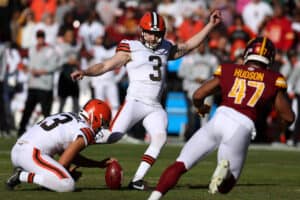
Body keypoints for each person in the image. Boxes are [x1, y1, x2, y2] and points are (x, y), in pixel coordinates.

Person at [71, 10, 222, 190]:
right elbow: (106, 65)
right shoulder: (131, 47)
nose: (153, 37)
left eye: (157, 34)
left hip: (155, 106)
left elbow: (189, 45)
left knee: (160, 137)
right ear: (142, 31)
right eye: (150, 32)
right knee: (112, 136)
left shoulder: (165, 47)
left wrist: (210, 25)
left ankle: (137, 180)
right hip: (135, 101)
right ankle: (69, 144)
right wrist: (86, 72)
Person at [147, 37, 295, 200]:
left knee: (180, 164)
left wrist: (201, 107)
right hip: (241, 125)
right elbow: (288, 116)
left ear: (247, 53)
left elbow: (198, 94)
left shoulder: (229, 69)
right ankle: (223, 174)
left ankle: (154, 197)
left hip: (219, 118)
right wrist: (279, 128)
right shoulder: (273, 79)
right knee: (226, 187)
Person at [6, 98, 119, 192]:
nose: (101, 128)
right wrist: (66, 173)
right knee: (67, 184)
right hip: (32, 154)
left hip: (18, 149)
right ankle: (22, 175)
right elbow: (63, 162)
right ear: (95, 117)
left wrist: (98, 164)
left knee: (61, 178)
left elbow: (70, 154)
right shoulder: (86, 130)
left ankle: (25, 174)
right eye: (103, 123)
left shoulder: (70, 116)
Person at [17, 30, 58, 137]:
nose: (40, 39)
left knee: (46, 112)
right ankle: (21, 131)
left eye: (42, 37)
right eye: (39, 37)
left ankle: (49, 133)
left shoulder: (50, 50)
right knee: (27, 110)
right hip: (33, 84)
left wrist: (40, 71)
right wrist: (27, 68)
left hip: (45, 86)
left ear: (44, 38)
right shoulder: (32, 50)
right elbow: (30, 64)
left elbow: (54, 66)